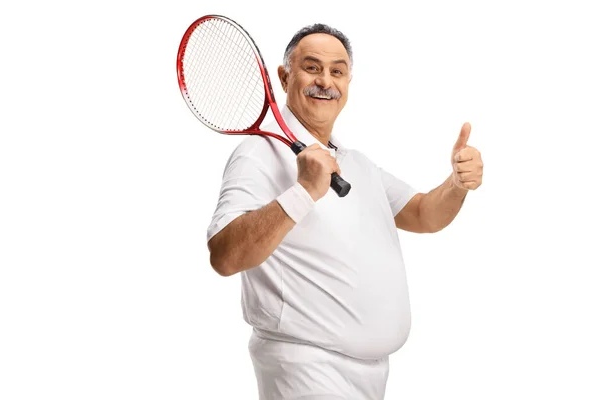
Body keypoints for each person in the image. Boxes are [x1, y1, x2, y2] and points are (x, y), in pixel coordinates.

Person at [206, 23, 483, 400]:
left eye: (337, 71)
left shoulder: (358, 164)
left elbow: (423, 214)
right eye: (312, 67)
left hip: (371, 378)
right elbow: (224, 255)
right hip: (304, 371)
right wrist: (304, 191)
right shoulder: (256, 155)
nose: (325, 81)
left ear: (348, 82)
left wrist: (457, 184)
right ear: (285, 76)